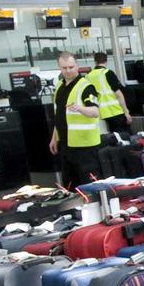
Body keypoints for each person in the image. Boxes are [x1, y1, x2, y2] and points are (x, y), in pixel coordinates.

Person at [50, 53, 109, 188]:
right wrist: (54, 137)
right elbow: (59, 115)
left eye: (71, 67)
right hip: (66, 144)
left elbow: (95, 112)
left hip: (85, 146)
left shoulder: (85, 87)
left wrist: (80, 109)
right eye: (64, 68)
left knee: (89, 184)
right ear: (59, 68)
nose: (68, 71)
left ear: (77, 66)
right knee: (69, 184)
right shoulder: (59, 86)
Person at [87, 50, 130, 133]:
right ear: (106, 61)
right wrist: (126, 112)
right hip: (115, 112)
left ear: (95, 62)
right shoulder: (108, 73)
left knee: (111, 140)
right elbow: (118, 94)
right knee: (124, 137)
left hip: (100, 114)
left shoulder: (88, 76)